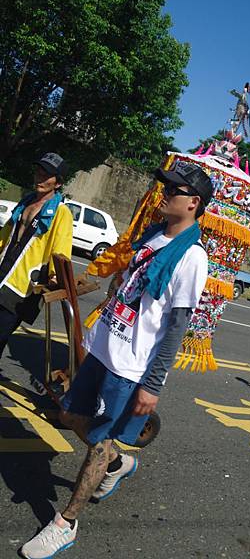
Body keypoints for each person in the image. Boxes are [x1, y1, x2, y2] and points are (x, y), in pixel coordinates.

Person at [20, 162, 213, 558]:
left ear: (193, 203)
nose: (164, 194)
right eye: (166, 187)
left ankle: (66, 523)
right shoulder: (155, 235)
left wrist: (152, 385)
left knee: (98, 442)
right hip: (104, 347)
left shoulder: (193, 257)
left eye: (173, 191)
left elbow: (176, 327)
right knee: (70, 417)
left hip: (129, 368)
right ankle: (116, 464)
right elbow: (127, 283)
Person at [0, 153, 72, 359]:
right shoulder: (27, 201)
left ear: (57, 183)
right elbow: (6, 236)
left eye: (47, 174)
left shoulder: (60, 212)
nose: (40, 177)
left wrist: (56, 277)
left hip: (21, 288)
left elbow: (61, 251)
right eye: (39, 171)